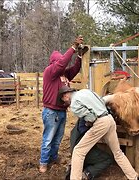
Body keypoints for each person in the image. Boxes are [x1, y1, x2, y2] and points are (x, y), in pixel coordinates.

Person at [58, 87, 139, 180]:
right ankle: (133, 177)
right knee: (117, 152)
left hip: (100, 122)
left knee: (78, 151)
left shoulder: (74, 104)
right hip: (109, 119)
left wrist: (88, 122)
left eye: (63, 100)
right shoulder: (86, 91)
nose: (65, 103)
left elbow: (91, 118)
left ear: (65, 95)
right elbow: (102, 101)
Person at [39, 35, 88, 173]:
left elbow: (75, 69)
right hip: (51, 111)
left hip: (61, 111)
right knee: (48, 138)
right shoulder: (50, 72)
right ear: (54, 62)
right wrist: (72, 47)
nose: (63, 64)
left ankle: (53, 157)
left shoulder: (64, 74)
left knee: (58, 138)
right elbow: (62, 63)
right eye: (60, 61)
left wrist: (78, 56)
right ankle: (43, 162)